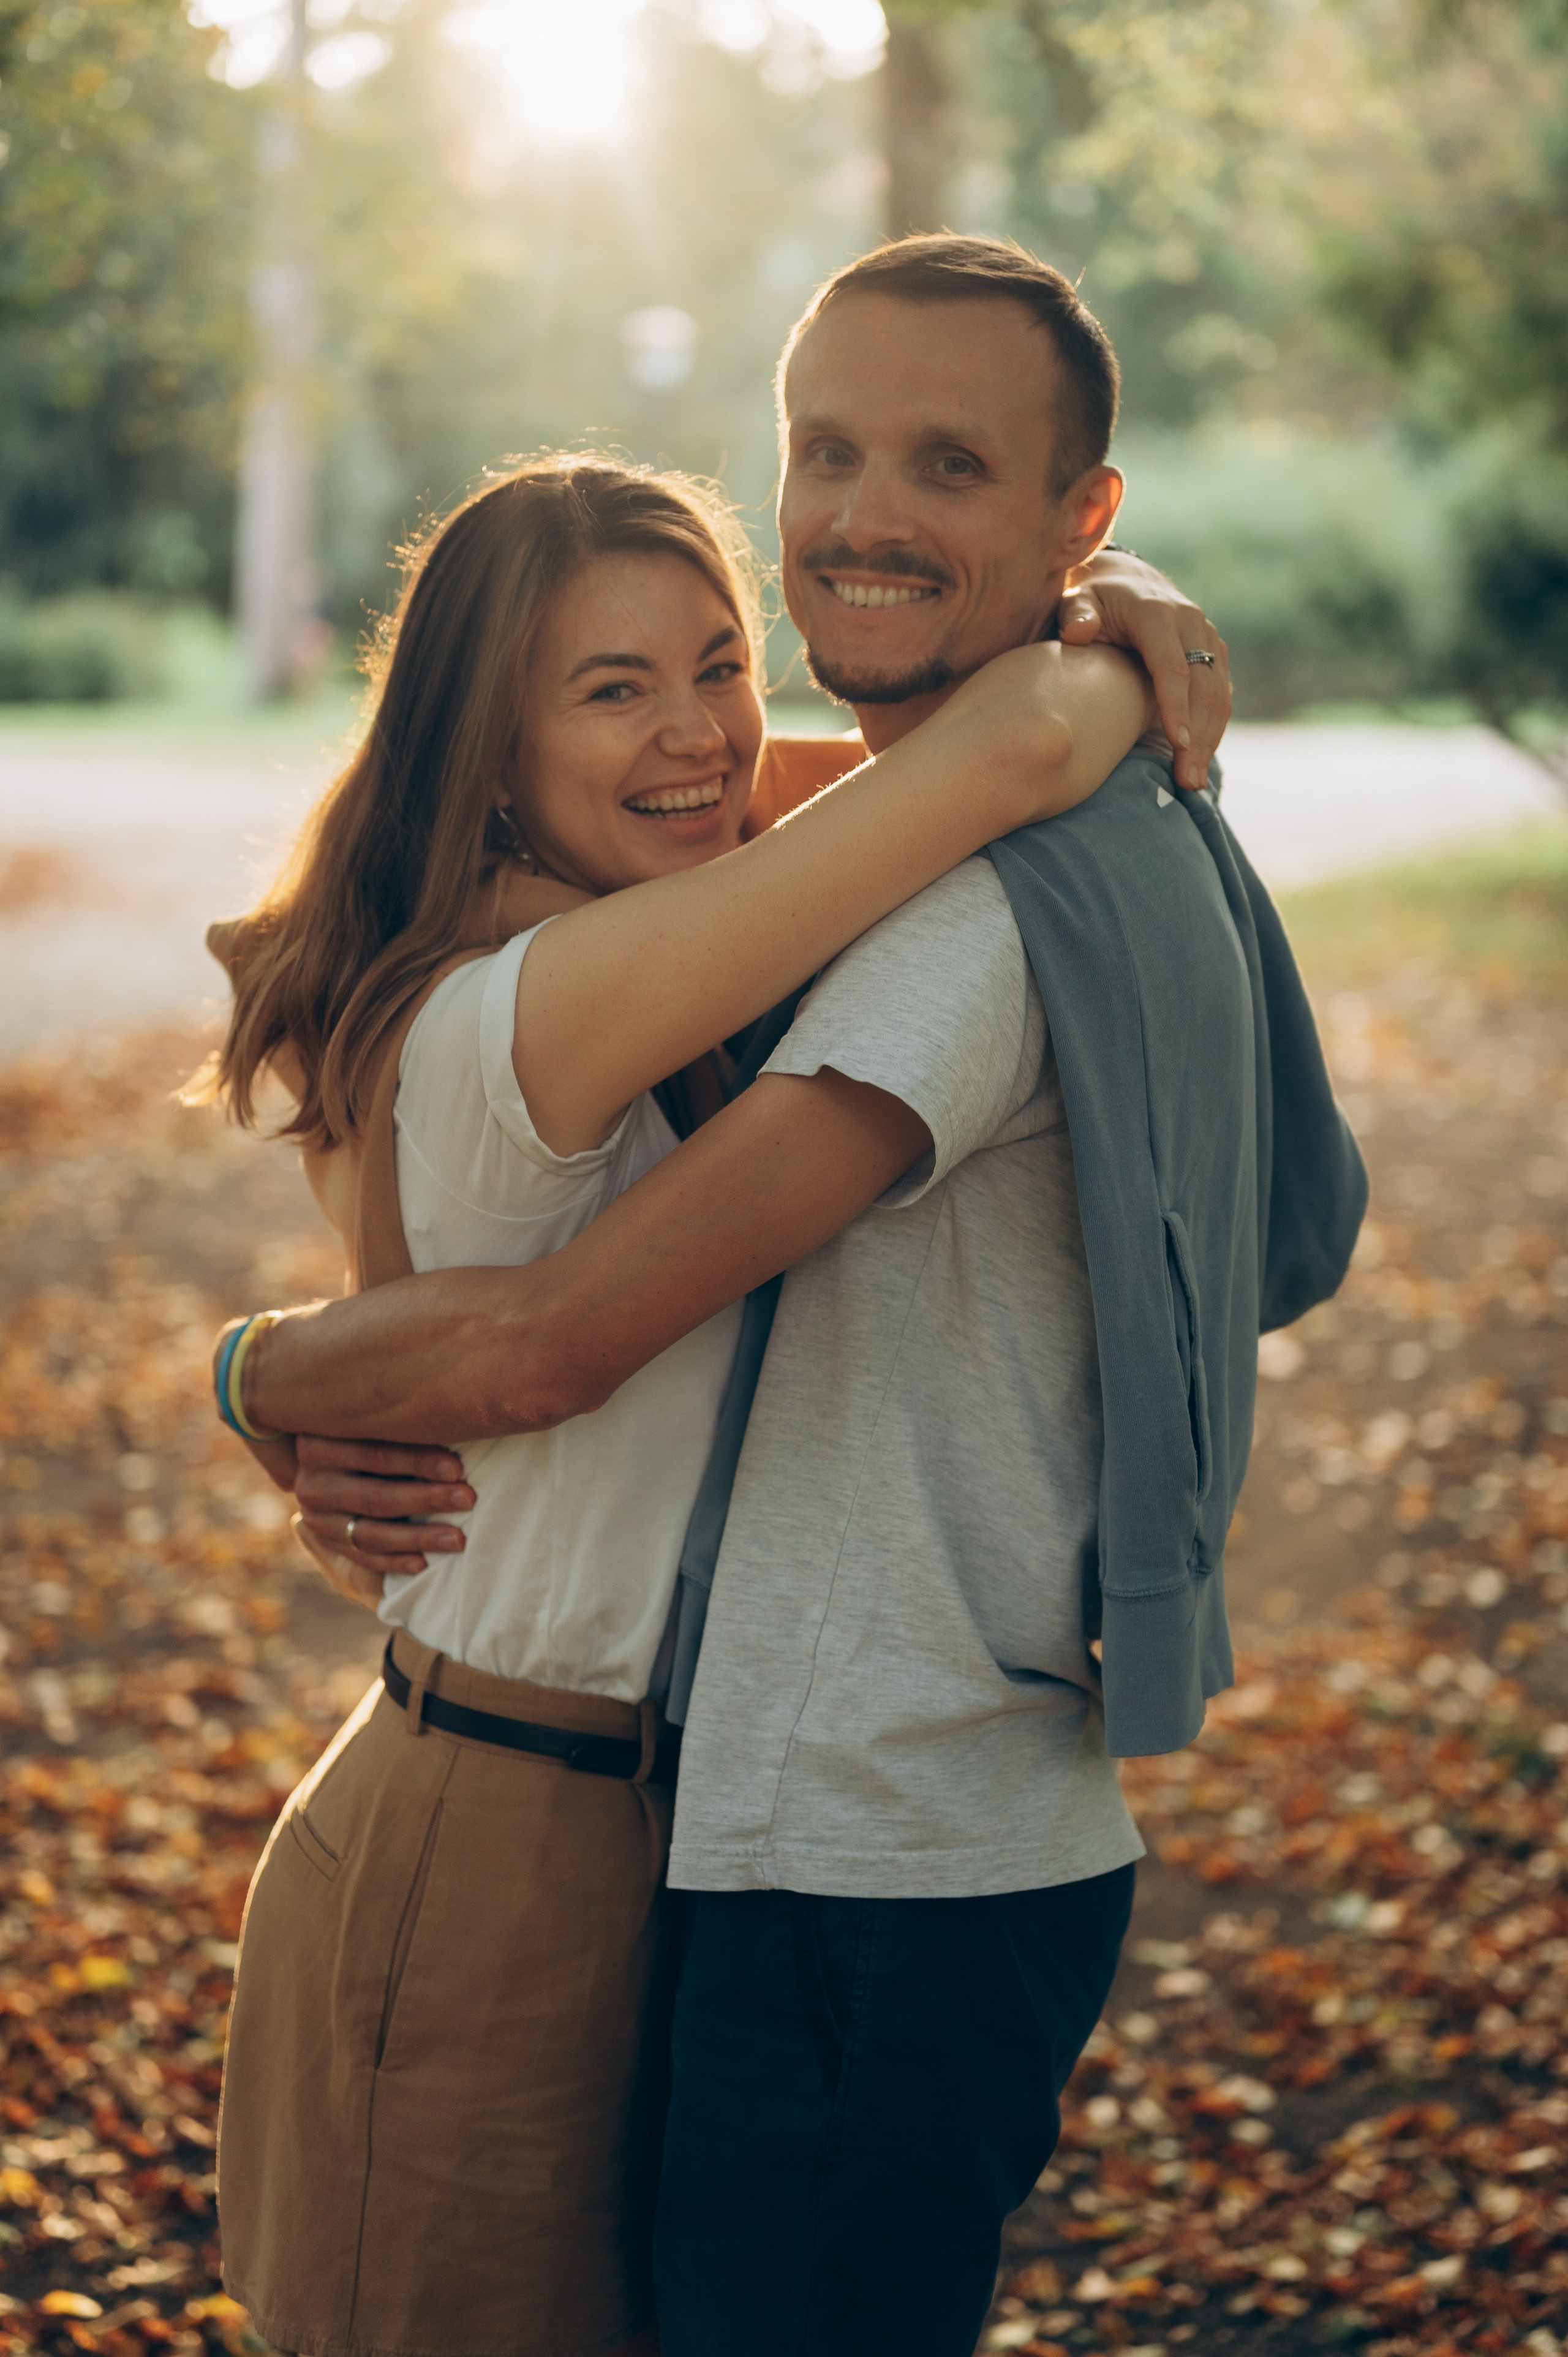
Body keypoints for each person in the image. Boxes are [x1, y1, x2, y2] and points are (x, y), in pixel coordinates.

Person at [219, 239, 1363, 2356]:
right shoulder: (557, 992)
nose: (695, 739)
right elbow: (530, 1343)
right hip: (509, 1817)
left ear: (1073, 509)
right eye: (825, 452)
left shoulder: (811, 908)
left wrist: (1102, 663)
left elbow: (863, 794)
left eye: (712, 666)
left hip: (731, 1828)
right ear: (488, 751)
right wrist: (256, 1377)